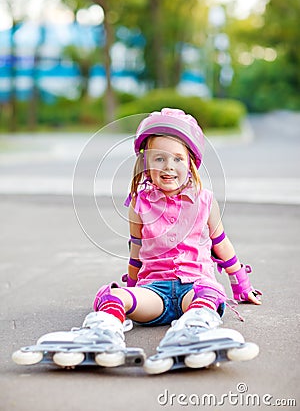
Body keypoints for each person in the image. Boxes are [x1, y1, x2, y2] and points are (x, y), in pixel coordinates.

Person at [92, 108, 262, 373]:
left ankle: (194, 331)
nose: (169, 166)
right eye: (159, 158)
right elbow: (136, 252)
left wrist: (240, 283)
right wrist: (134, 287)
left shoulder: (205, 201)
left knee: (207, 297)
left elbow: (221, 243)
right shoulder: (139, 204)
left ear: (191, 163)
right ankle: (101, 334)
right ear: (145, 163)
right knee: (115, 296)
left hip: (195, 287)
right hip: (155, 292)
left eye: (178, 159)